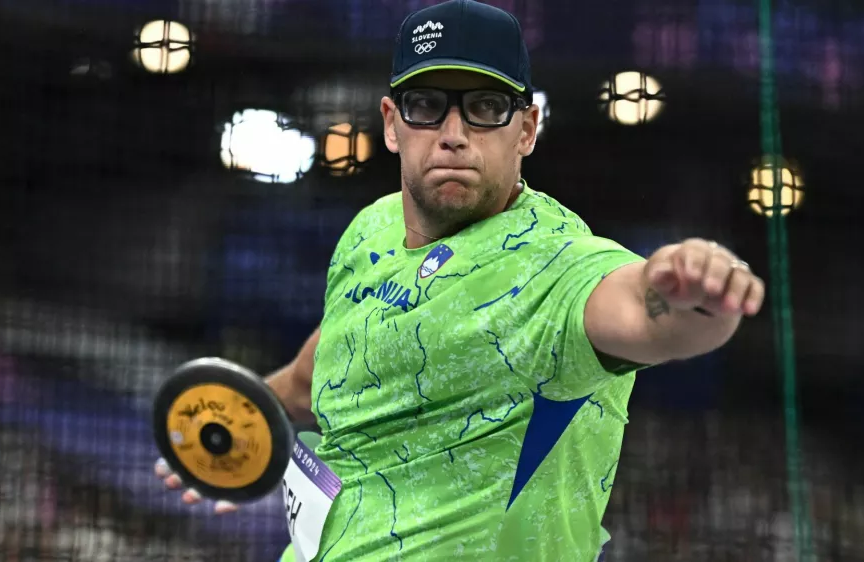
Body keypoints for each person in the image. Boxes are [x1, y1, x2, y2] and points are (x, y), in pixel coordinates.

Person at [156, 0, 765, 560]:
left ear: (526, 129)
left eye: (485, 108)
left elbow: (647, 313)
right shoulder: (369, 233)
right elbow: (325, 369)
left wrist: (701, 291)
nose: (453, 133)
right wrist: (236, 421)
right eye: (427, 107)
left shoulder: (557, 265)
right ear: (393, 124)